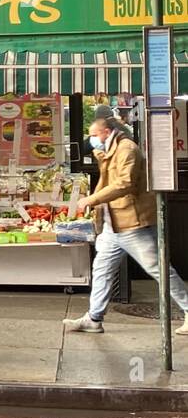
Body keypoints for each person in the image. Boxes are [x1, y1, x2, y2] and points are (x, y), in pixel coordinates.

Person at [64, 116, 188, 335]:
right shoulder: (111, 150)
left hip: (132, 223)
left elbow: (125, 183)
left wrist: (91, 200)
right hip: (114, 224)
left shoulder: (126, 149)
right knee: (101, 269)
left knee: (158, 269)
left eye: (94, 135)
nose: (91, 140)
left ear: (108, 131)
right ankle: (94, 318)